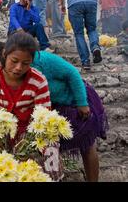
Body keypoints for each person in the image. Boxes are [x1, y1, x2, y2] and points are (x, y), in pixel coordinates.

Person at [32, 51, 108, 182]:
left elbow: (72, 73)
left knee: (87, 144)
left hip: (77, 101)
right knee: (51, 147)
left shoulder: (43, 60)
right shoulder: (11, 71)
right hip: (52, 108)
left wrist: (82, 103)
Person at [0, 32, 51, 138]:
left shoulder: (38, 82)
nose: (19, 67)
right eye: (14, 61)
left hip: (31, 135)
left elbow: (44, 116)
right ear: (4, 55)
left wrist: (29, 140)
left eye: (26, 63)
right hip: (0, 134)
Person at [59, 0, 108, 70]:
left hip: (75, 4)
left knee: (79, 33)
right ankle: (95, 47)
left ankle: (85, 62)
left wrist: (61, 4)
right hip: (91, 2)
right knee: (91, 29)